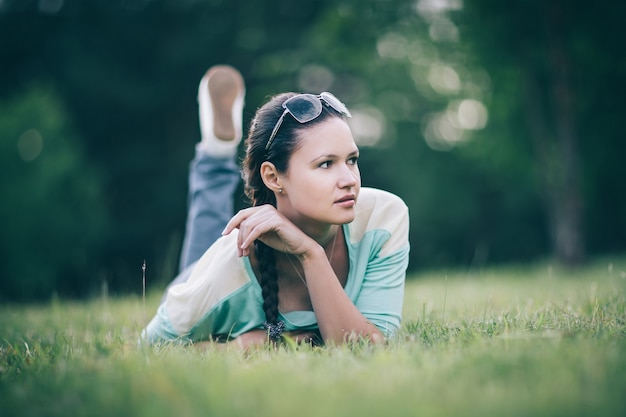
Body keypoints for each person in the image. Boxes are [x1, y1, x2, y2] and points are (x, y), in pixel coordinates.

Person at [142, 65, 410, 349]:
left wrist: (311, 254)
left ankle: (217, 150)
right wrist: (244, 346)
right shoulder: (222, 273)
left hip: (229, 264)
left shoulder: (382, 217)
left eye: (352, 160)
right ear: (273, 177)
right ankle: (215, 154)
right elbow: (149, 349)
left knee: (211, 229)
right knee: (208, 234)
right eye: (326, 164)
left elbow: (370, 348)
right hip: (211, 275)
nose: (349, 180)